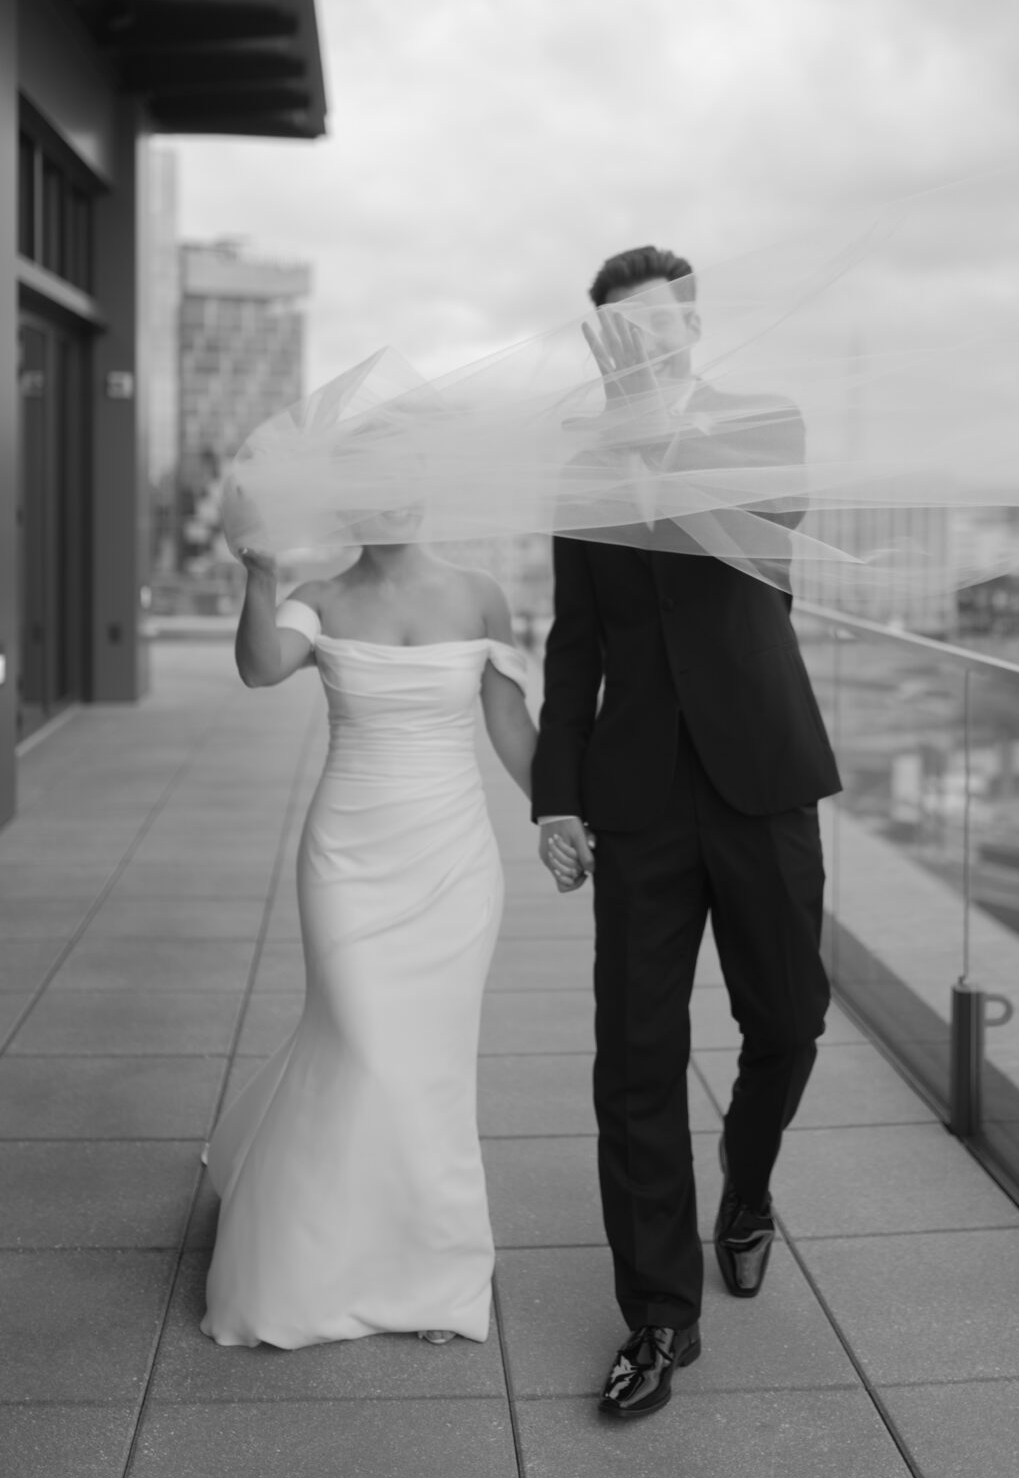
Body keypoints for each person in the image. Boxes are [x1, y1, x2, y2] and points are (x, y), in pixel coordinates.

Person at [532, 244, 841, 1419]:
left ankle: (746, 1187)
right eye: (619, 329)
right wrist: (556, 791)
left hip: (764, 773)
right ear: (596, 339)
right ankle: (659, 1318)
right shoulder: (578, 463)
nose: (641, 344)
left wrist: (649, 429)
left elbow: (755, 526)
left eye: (657, 326)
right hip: (639, 798)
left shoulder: (763, 424)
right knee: (636, 1060)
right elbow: (575, 640)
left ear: (692, 328)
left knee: (791, 1021)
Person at [200, 539, 536, 1349]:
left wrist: (562, 810)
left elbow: (508, 719)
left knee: (431, 1065)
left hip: (453, 857)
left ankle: (431, 1276)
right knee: (360, 1044)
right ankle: (315, 1262)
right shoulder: (318, 594)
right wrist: (260, 577)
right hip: (348, 856)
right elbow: (260, 668)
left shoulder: (480, 591)